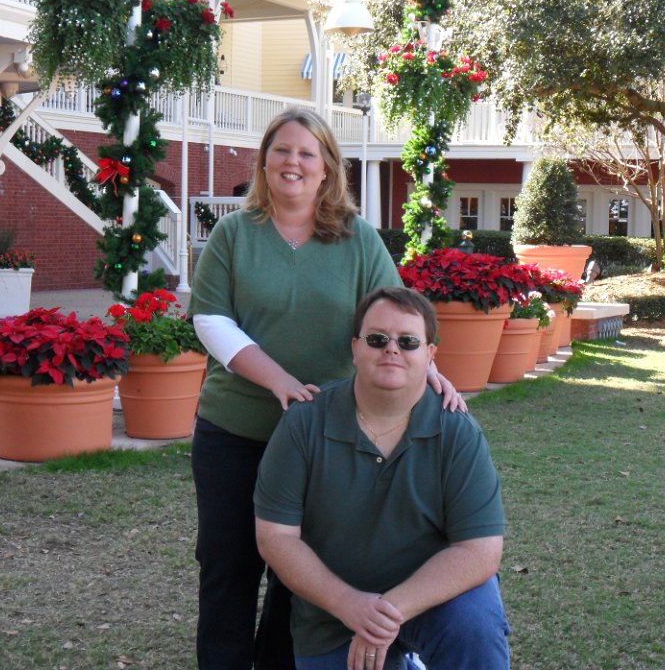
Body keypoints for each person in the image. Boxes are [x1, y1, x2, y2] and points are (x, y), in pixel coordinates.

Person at [187, 108, 464, 670]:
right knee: (228, 566)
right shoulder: (233, 234)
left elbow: (396, 317)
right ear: (265, 160)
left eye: (306, 153)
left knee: (300, 575)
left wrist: (428, 371)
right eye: (282, 150)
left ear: (327, 167)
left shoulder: (358, 239)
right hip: (235, 431)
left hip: (327, 439)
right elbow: (211, 319)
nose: (293, 162)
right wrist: (281, 383)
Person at [255, 286, 511, 670]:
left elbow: (481, 550)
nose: (392, 349)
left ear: (430, 355)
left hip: (435, 597)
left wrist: (387, 612)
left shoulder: (457, 431)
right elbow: (276, 538)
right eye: (377, 339)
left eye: (408, 342)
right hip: (334, 613)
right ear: (355, 348)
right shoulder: (303, 424)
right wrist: (350, 604)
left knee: (474, 630)